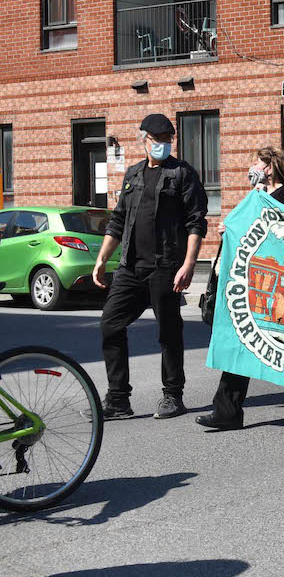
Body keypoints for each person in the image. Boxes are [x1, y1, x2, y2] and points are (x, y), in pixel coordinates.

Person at [197, 146, 284, 430]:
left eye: (257, 163)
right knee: (244, 340)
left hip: (281, 279)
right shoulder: (258, 195)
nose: (253, 168)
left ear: (270, 166)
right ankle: (228, 411)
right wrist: (229, 229)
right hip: (255, 279)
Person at [91, 114, 208, 420]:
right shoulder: (133, 174)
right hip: (131, 267)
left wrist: (189, 264)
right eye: (158, 140)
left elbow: (196, 222)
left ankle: (173, 396)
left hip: (165, 267)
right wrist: (102, 259)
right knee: (110, 324)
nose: (164, 145)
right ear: (144, 140)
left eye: (168, 139)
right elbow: (118, 220)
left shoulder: (182, 174)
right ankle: (118, 400)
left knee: (169, 332)